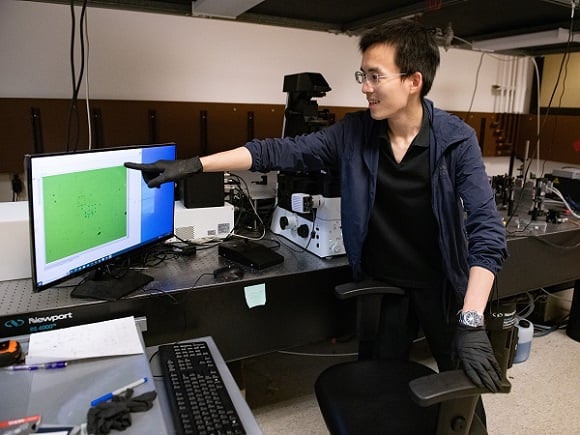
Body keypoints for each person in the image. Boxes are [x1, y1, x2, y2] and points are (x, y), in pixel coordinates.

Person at [125, 20, 507, 394]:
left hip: (442, 285)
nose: (366, 89)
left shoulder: (456, 140)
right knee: (381, 388)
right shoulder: (354, 132)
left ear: (413, 81)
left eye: (375, 77)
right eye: (363, 77)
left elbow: (487, 232)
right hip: (385, 285)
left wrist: (471, 320)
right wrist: (194, 165)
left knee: (464, 387)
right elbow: (278, 151)